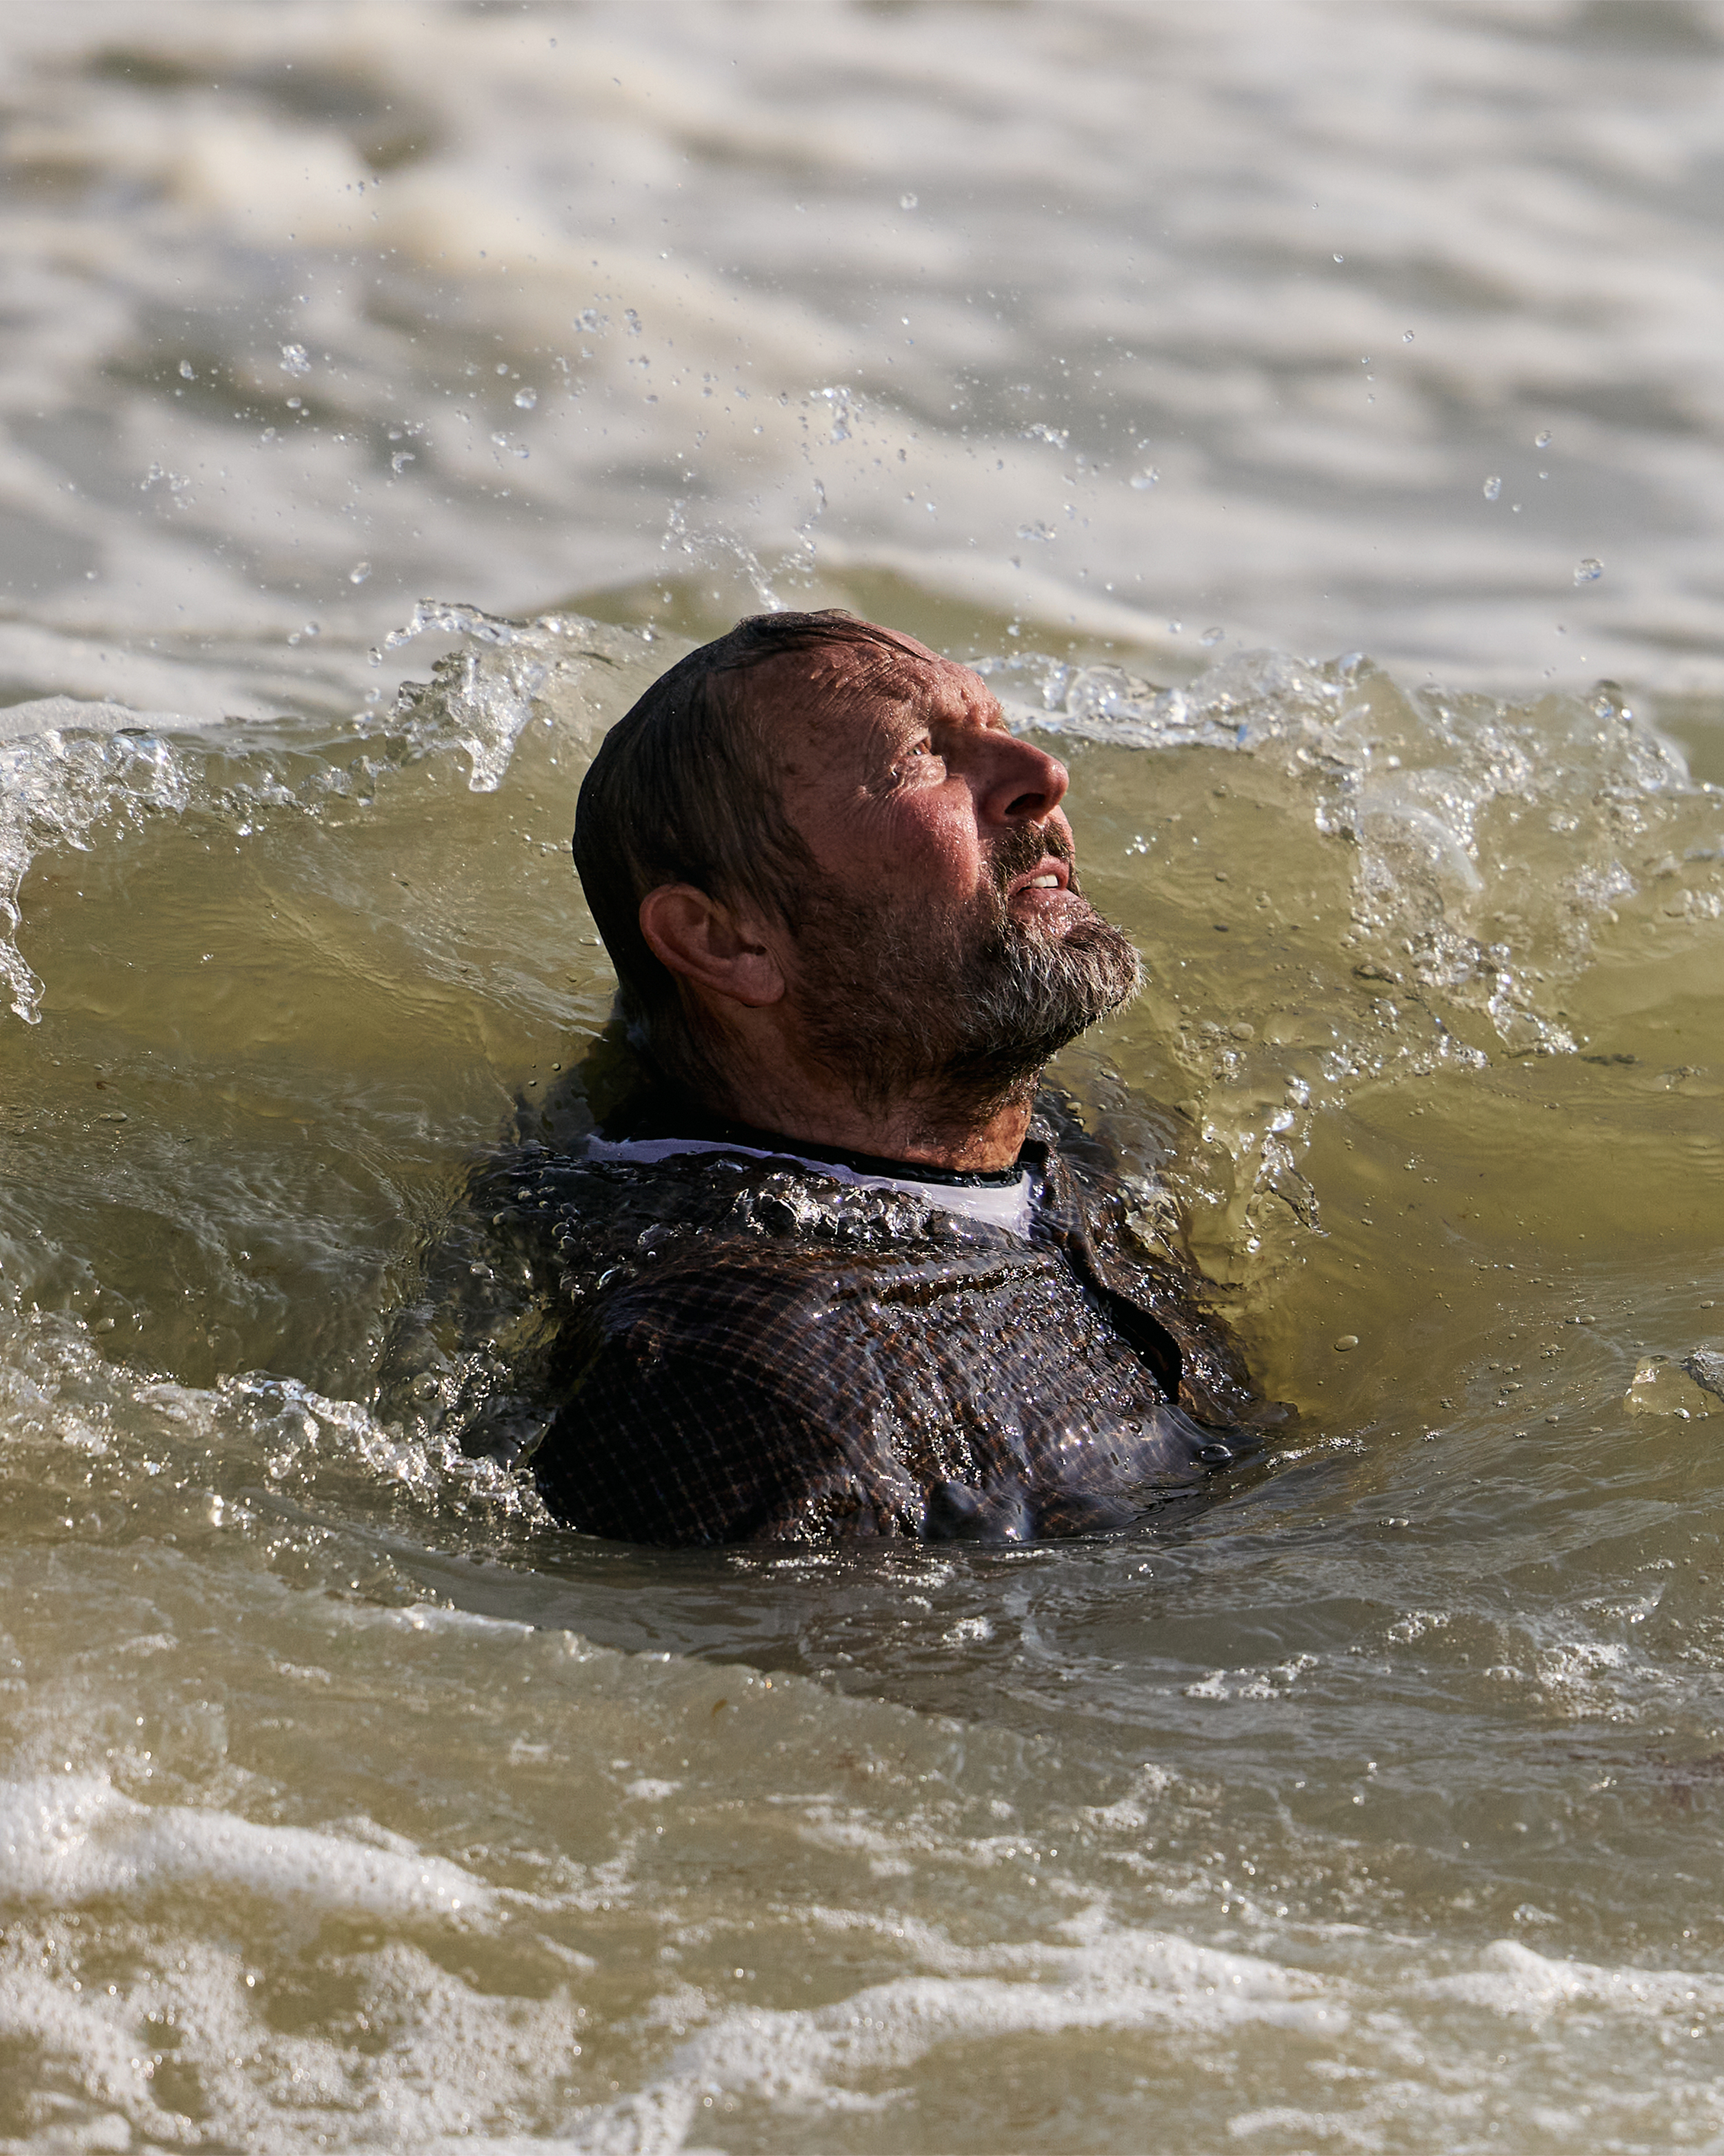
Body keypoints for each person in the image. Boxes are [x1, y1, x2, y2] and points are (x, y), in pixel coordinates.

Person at [388, 611, 1284, 1544]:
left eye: (998, 727)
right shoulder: (738, 1386)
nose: (1044, 775)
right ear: (727, 941)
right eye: (921, 758)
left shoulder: (1040, 1135)